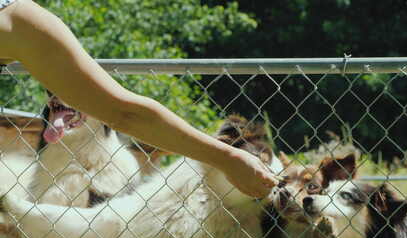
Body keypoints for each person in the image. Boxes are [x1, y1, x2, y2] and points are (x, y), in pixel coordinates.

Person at [0, 0, 278, 198]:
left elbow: (124, 114)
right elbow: (125, 114)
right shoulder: (17, 20)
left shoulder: (17, 20)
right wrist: (227, 158)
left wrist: (227, 157)